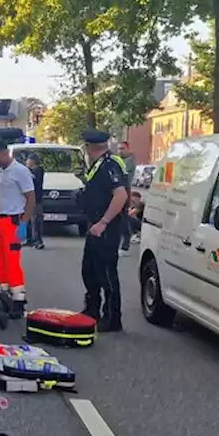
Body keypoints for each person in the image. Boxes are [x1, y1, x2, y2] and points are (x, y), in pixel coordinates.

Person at [80, 129, 129, 333]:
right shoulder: (99, 165)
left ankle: (112, 317)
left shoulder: (110, 165)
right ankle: (92, 310)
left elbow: (120, 195)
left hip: (106, 228)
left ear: (91, 147)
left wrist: (104, 222)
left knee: (106, 274)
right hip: (95, 227)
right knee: (89, 271)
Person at [0, 141, 36, 317]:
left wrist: (24, 223)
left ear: (3, 152)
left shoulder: (20, 171)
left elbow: (31, 198)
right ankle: (5, 293)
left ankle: (18, 300)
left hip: (12, 222)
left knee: (12, 261)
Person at [117, 139, 137, 255]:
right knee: (120, 218)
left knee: (123, 219)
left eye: (122, 148)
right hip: (117, 192)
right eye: (118, 148)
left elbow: (120, 171)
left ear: (128, 149)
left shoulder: (129, 161)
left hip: (124, 193)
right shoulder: (119, 160)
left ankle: (126, 243)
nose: (120, 151)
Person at [26, 154, 45, 248]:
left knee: (36, 221)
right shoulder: (30, 171)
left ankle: (38, 241)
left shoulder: (38, 170)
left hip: (36, 200)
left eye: (28, 160)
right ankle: (29, 240)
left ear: (33, 161)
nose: (27, 162)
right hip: (28, 199)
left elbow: (34, 180)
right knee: (28, 221)